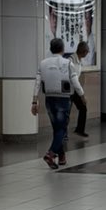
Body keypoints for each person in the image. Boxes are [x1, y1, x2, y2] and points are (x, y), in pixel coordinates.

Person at [33, 37, 75, 169]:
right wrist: (82, 95)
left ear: (51, 49)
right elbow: (75, 81)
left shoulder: (43, 63)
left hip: (49, 99)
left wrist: (34, 101)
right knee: (61, 129)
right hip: (63, 99)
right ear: (63, 49)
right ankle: (51, 154)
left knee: (57, 128)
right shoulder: (68, 63)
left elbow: (37, 83)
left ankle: (61, 156)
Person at [71, 39, 92, 137]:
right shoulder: (71, 60)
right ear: (83, 51)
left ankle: (80, 129)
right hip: (68, 90)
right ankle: (63, 134)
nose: (87, 54)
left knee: (83, 108)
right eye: (87, 52)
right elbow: (74, 79)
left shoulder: (79, 61)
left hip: (75, 89)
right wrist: (82, 95)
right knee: (66, 112)